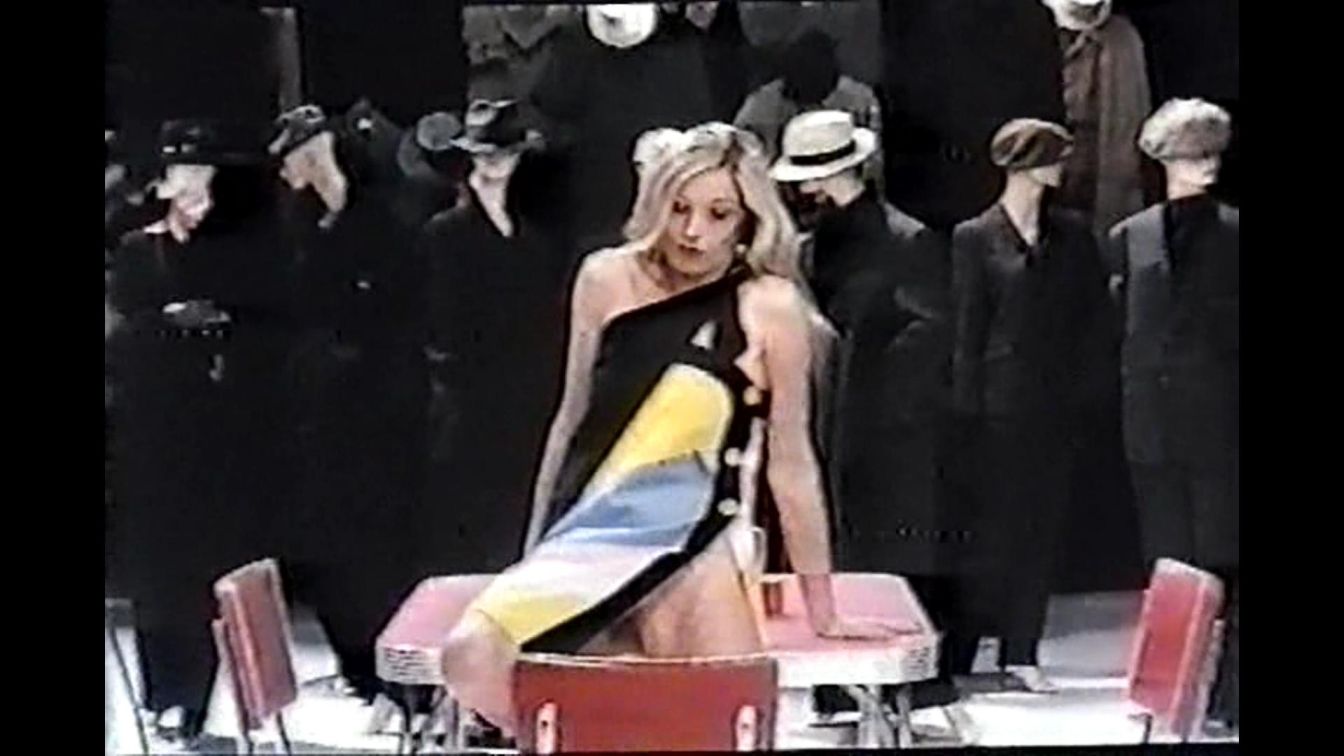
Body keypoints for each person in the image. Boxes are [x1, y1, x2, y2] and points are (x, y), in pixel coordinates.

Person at [438, 122, 904, 736]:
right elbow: (571, 421)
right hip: (590, 536)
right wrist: (537, 549)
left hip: (695, 542)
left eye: (718, 214)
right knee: (470, 657)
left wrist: (823, 608)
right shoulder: (604, 278)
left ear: (748, 221)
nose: (693, 231)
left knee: (715, 713)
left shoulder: (769, 307)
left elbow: (792, 464)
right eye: (680, 208)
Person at [770, 110, 963, 716]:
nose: (806, 190)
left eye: (812, 176)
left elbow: (930, 332)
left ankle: (903, 688)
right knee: (831, 545)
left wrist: (875, 389)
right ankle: (837, 684)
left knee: (892, 554)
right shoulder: (807, 246)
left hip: (886, 430)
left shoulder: (907, 240)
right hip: (823, 420)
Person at [108, 118, 291, 744]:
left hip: (222, 433)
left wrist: (223, 325)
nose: (190, 183)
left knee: (212, 572)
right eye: (180, 171)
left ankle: (200, 698)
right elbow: (125, 334)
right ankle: (164, 695)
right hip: (157, 432)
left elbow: (268, 327)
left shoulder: (236, 249)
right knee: (158, 573)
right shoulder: (139, 250)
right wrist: (170, 325)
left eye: (200, 170)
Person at [270, 102, 430, 704]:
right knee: (330, 545)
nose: (282, 170)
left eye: (289, 155)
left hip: (382, 410)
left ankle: (393, 673)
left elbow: (403, 313)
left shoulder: (385, 220)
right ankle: (358, 666)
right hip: (322, 415)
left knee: (380, 541)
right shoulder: (301, 227)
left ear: (314, 151)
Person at [949, 118, 1111, 693]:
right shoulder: (975, 236)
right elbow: (968, 328)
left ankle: (1023, 648)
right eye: (1052, 158)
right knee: (988, 532)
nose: (1061, 168)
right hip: (994, 409)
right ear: (1025, 165)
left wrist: (1086, 393)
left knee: (1040, 531)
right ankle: (966, 649)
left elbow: (1092, 317)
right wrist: (965, 409)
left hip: (1053, 406)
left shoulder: (1072, 236)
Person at [1109, 98, 1238, 733]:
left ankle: (1228, 696)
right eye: (1192, 154)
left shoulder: (1236, 234)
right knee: (1168, 565)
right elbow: (1123, 331)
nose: (1205, 165)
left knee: (1226, 560)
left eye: (1212, 153)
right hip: (1152, 425)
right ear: (1163, 159)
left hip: (1223, 426)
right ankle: (1169, 693)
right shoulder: (1130, 238)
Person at [420, 100, 570, 575]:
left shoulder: (535, 238)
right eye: (483, 155)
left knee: (517, 515)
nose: (492, 165)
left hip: (527, 397)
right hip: (472, 399)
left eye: (502, 154)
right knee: (472, 519)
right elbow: (442, 319)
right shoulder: (446, 233)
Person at [733, 29, 883, 191]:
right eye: (805, 70)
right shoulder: (760, 107)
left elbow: (874, 163)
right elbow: (737, 150)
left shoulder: (860, 99)